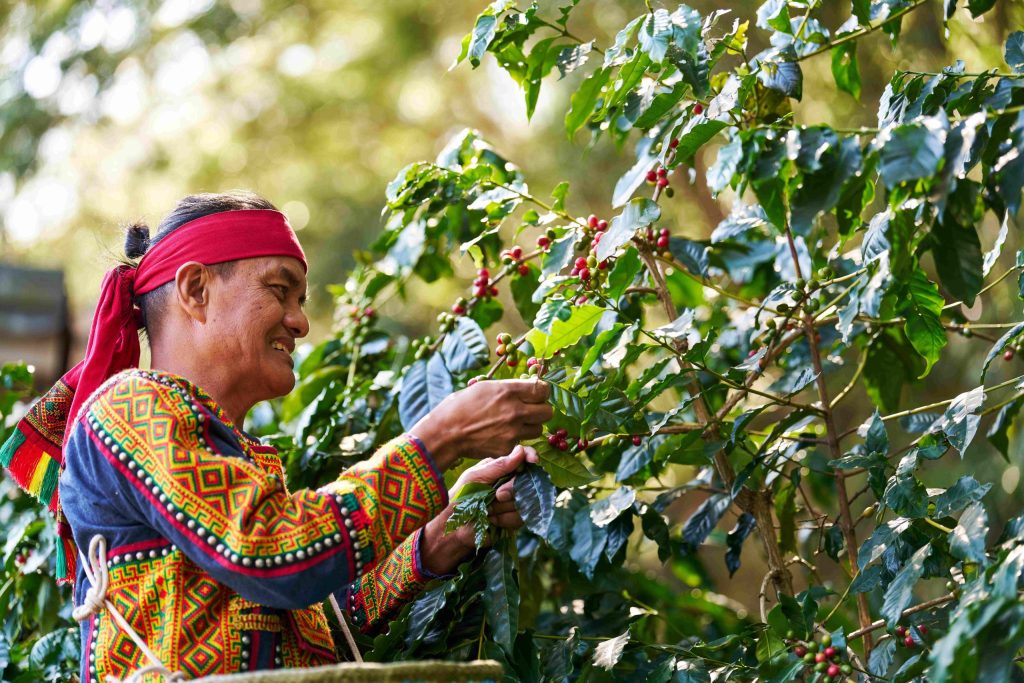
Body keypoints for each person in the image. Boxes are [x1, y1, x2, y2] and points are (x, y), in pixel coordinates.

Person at [0, 191, 552, 681]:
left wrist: (442, 536)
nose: (300, 322)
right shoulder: (129, 407)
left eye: (300, 301)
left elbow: (316, 621)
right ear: (195, 289)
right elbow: (272, 553)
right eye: (280, 290)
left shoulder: (232, 451)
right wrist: (441, 438)